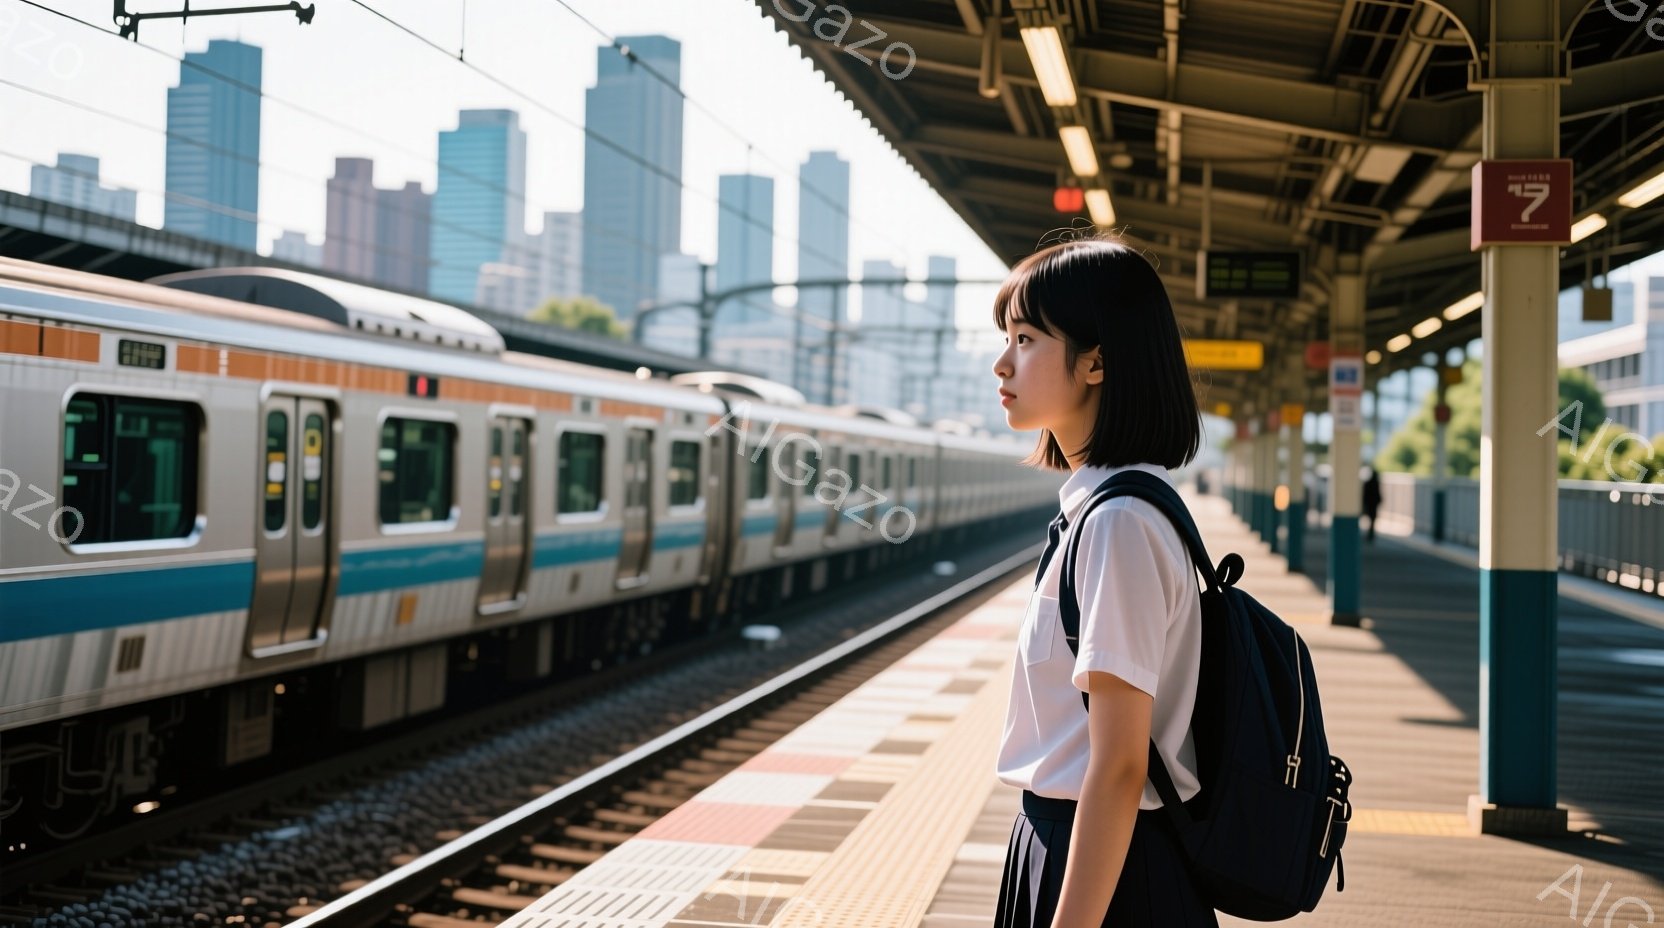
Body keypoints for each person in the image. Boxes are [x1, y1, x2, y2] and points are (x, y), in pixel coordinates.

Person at [990, 236, 1215, 928]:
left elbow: (1119, 767)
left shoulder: (1119, 524)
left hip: (1102, 872)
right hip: (1083, 851)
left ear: (1097, 361)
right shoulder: (1106, 510)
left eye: (1025, 339)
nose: (1002, 362)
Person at [1361, 467, 1382, 543]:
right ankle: (1371, 535)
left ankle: (1370, 535)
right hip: (1373, 505)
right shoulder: (1376, 483)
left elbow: (1364, 495)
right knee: (1372, 521)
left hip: (1369, 504)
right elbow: (1378, 496)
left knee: (1369, 520)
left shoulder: (1368, 483)